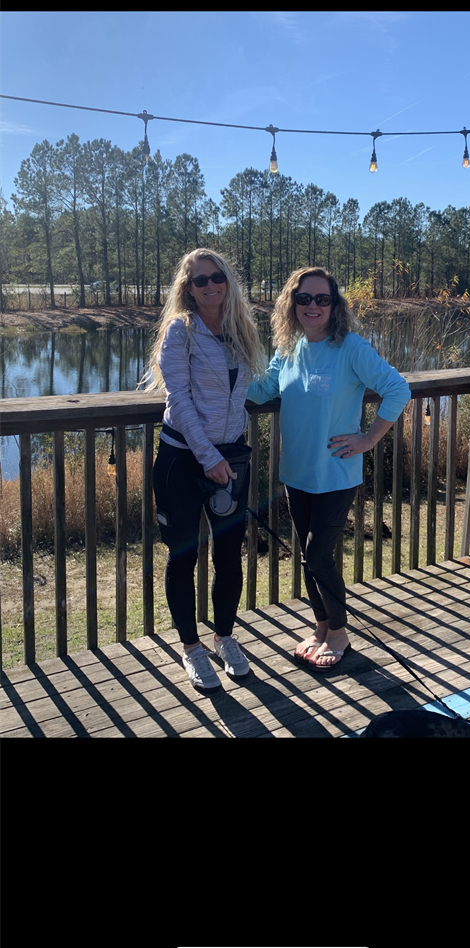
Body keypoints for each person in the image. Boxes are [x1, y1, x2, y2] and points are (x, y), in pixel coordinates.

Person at [246, 267, 411, 671]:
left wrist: (368, 439)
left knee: (319, 556)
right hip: (296, 474)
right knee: (308, 556)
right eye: (304, 298)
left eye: (323, 299)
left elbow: (398, 389)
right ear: (292, 303)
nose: (313, 306)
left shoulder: (351, 348)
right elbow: (263, 390)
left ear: (335, 306)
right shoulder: (287, 350)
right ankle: (321, 627)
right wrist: (211, 378)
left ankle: (339, 633)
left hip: (336, 474)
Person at [144, 249, 267, 691]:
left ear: (227, 282)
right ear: (188, 288)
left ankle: (225, 637)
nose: (211, 285)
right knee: (184, 556)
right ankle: (192, 648)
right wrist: (207, 457)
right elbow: (178, 401)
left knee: (229, 555)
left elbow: (253, 386)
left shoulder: (239, 330)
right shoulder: (181, 332)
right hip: (182, 460)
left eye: (217, 277)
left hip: (230, 458)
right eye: (200, 280)